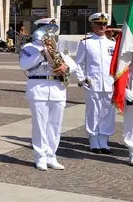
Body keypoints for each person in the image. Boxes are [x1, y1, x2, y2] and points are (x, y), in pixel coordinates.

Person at [20, 17, 75, 171]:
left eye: (51, 31)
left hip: (57, 89)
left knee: (55, 126)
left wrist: (65, 66)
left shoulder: (57, 46)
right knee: (40, 126)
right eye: (46, 30)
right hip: (39, 88)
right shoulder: (29, 47)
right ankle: (40, 157)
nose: (49, 34)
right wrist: (43, 52)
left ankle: (51, 156)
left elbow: (73, 64)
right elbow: (24, 65)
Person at [73, 12, 116, 153]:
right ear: (92, 25)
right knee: (93, 112)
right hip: (93, 82)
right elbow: (78, 63)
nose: (101, 26)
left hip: (109, 83)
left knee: (107, 112)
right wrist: (81, 78)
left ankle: (104, 139)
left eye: (104, 24)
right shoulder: (86, 43)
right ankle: (93, 138)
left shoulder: (112, 44)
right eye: (98, 24)